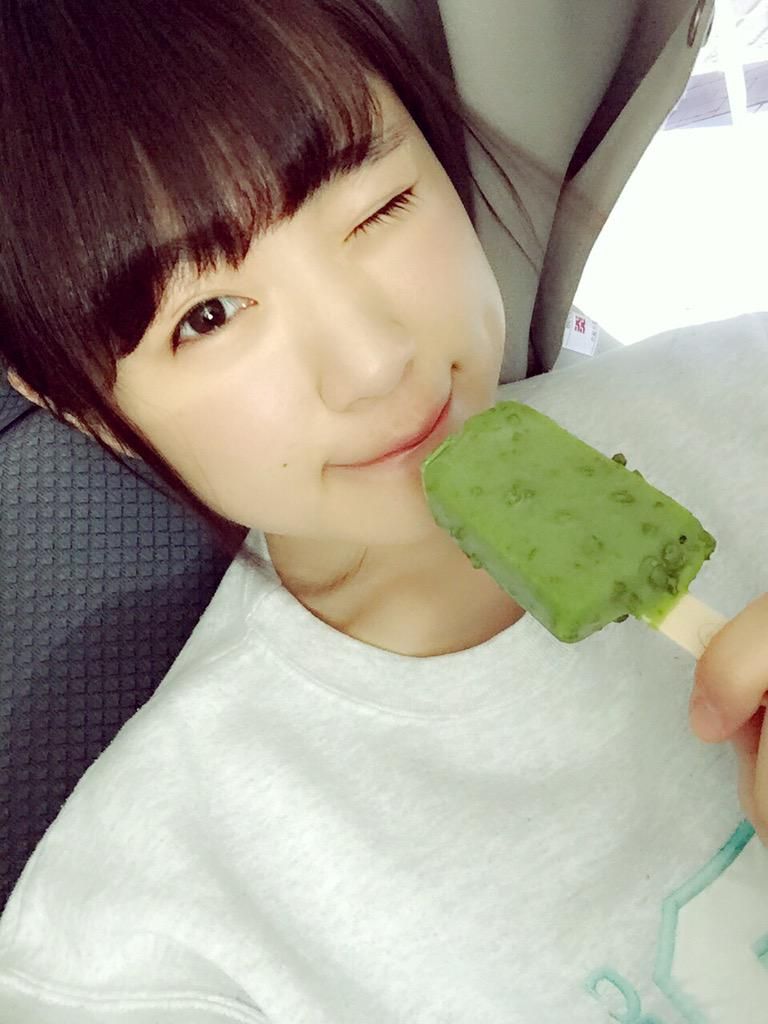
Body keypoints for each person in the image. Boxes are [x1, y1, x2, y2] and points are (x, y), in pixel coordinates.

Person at [0, 1, 766, 1021]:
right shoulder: (140, 944)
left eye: (380, 208)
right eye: (208, 316)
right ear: (83, 405)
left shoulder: (750, 385)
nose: (374, 362)